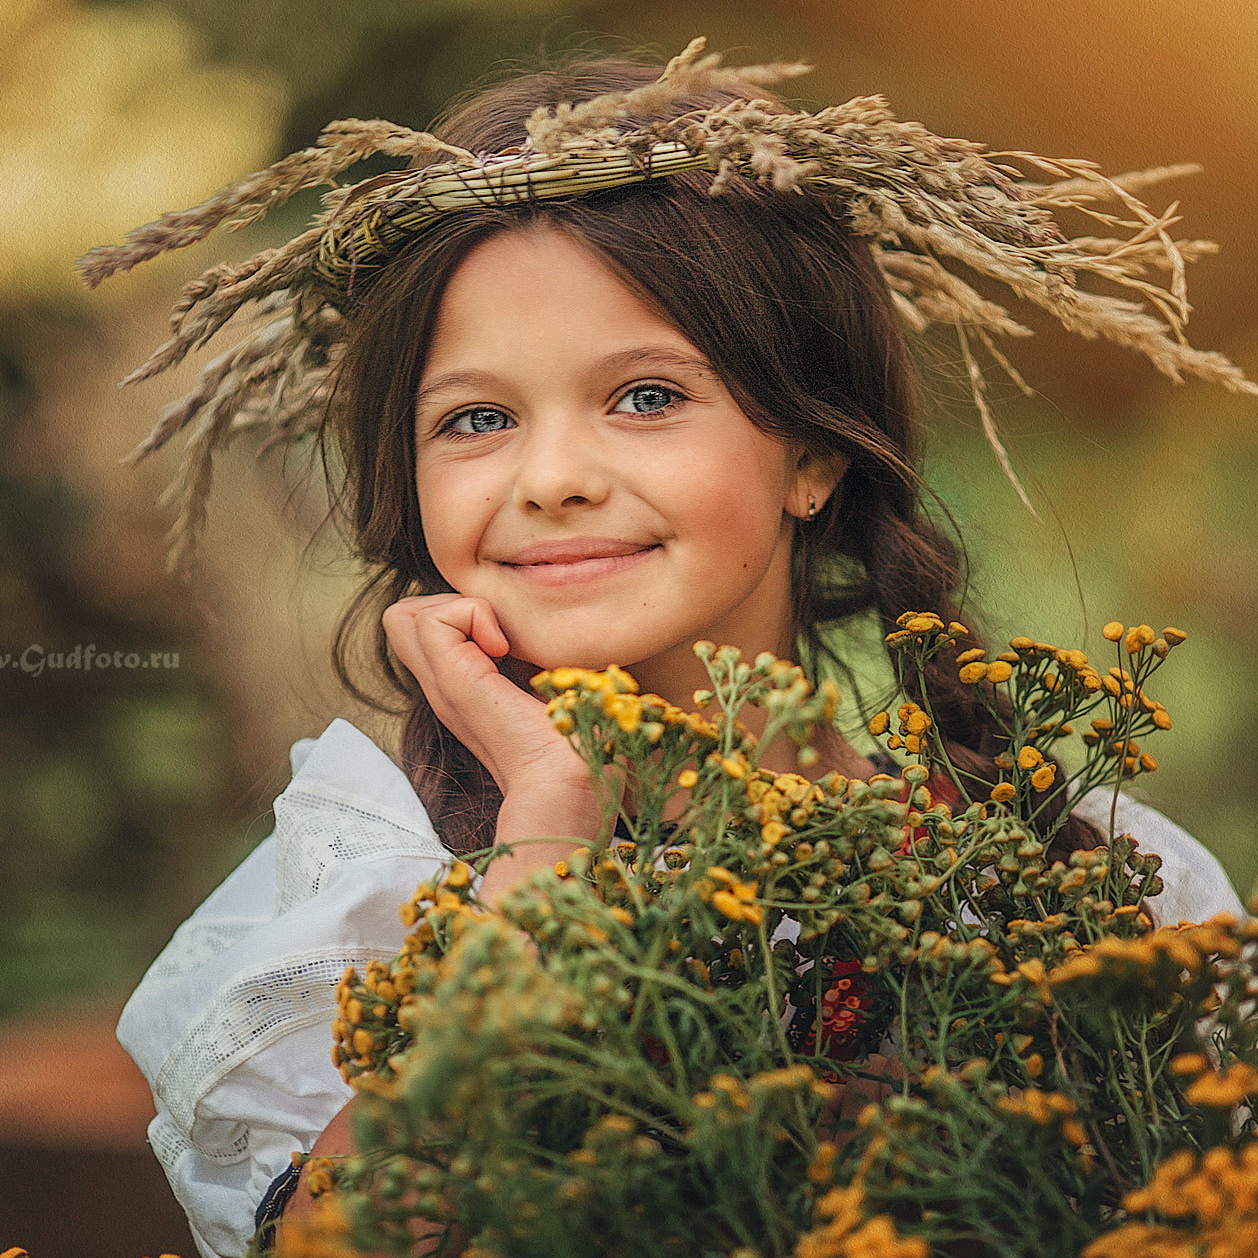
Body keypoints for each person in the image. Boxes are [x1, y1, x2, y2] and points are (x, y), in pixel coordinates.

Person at [80, 39, 1251, 1258]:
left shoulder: (1083, 879)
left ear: (812, 453)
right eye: (477, 419)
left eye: (645, 396)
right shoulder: (356, 906)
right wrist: (548, 827)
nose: (553, 480)